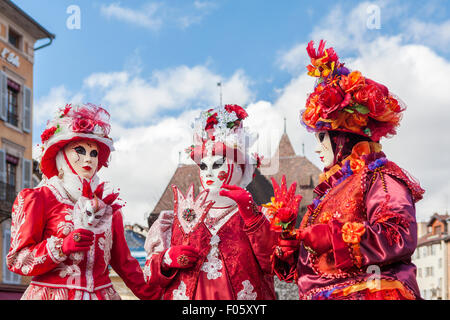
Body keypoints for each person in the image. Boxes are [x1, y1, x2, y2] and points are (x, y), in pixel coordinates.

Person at [273, 40, 425, 300]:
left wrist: (334, 238)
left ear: (343, 137)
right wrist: (292, 249)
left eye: (322, 137)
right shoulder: (331, 190)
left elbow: (399, 234)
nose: (318, 149)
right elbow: (313, 269)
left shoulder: (379, 176)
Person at [6, 103, 159, 300]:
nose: (88, 159)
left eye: (94, 153)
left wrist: (158, 296)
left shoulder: (107, 209)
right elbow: (18, 259)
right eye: (80, 150)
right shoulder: (38, 199)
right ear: (61, 155)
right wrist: (62, 247)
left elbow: (125, 265)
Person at [144, 104, 277, 300]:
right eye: (203, 166)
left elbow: (274, 265)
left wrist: (251, 216)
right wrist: (166, 259)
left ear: (239, 169)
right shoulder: (174, 220)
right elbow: (149, 275)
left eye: (217, 164)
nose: (208, 173)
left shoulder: (259, 219)